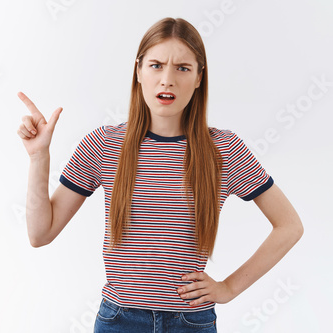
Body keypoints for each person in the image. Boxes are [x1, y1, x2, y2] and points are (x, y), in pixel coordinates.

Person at [16, 17, 303, 333]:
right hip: (118, 321)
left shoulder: (224, 149)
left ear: (198, 78)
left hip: (191, 322)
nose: (167, 79)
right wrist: (39, 157)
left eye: (182, 68)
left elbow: (289, 226)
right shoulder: (104, 144)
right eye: (156, 65)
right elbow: (40, 234)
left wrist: (229, 288)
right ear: (138, 71)